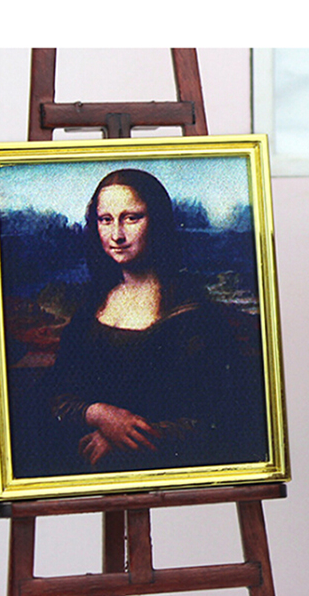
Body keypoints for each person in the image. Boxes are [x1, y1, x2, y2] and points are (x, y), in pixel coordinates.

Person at [45, 168, 268, 474]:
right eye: (105, 220)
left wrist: (125, 438)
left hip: (165, 471)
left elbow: (217, 420)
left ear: (158, 222)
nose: (117, 235)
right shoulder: (90, 308)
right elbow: (56, 396)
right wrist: (98, 414)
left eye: (132, 218)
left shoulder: (193, 315)